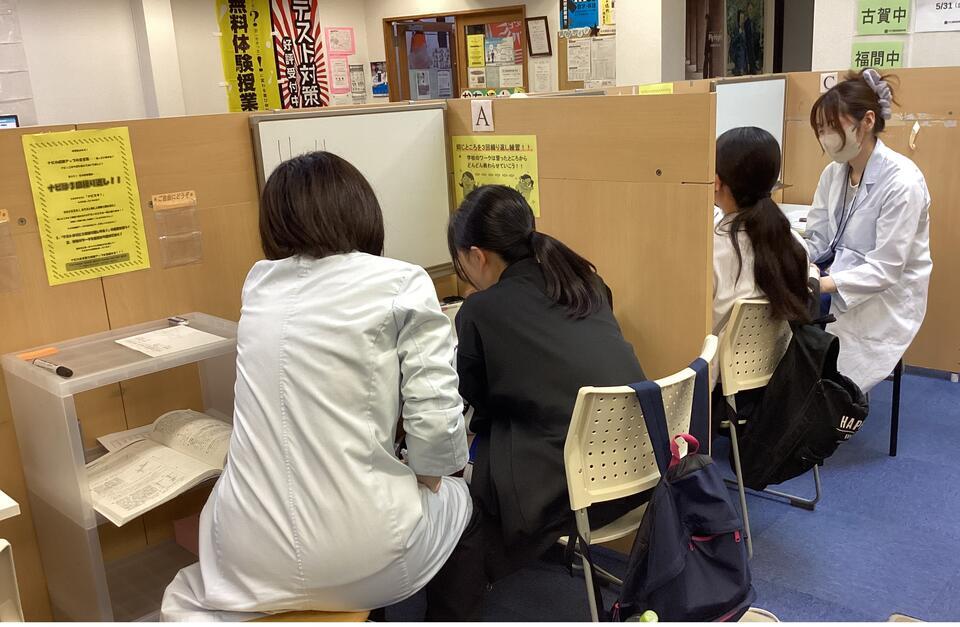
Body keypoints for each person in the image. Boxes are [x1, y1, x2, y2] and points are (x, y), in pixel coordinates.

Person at [161, 152, 472, 621]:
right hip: (364, 552)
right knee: (458, 499)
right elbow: (436, 420)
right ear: (361, 210)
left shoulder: (259, 284)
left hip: (243, 555)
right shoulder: (401, 281)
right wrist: (429, 477)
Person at [425, 185, 647, 621]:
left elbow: (472, 402)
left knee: (451, 475)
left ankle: (456, 601)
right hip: (637, 468)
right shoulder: (586, 282)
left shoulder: (481, 311)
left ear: (477, 256)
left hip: (571, 486)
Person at [806, 69, 932, 393]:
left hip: (885, 293)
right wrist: (795, 261)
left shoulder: (902, 182)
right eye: (821, 129)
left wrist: (819, 284)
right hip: (837, 275)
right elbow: (817, 238)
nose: (826, 138)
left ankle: (825, 405)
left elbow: (886, 269)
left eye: (832, 127)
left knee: (828, 367)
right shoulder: (833, 174)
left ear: (867, 121)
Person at [713, 126, 811, 339]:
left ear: (716, 182)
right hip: (780, 358)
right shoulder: (795, 244)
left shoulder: (711, 252)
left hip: (713, 360)